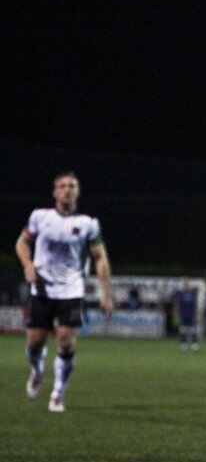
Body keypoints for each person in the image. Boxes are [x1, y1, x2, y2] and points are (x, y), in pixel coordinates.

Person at [15, 171, 112, 412]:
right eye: (62, 186)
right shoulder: (40, 217)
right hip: (42, 289)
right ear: (55, 192)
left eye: (72, 186)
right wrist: (28, 265)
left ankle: (58, 393)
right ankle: (37, 370)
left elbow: (100, 258)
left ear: (77, 192)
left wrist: (106, 294)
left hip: (71, 290)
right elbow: (22, 242)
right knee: (35, 344)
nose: (67, 189)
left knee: (66, 343)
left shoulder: (88, 224)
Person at [172, 280, 200, 351]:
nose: (186, 285)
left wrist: (196, 315)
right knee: (183, 330)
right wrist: (176, 314)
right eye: (185, 284)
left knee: (193, 330)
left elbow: (195, 305)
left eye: (187, 284)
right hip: (183, 314)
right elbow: (177, 304)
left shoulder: (192, 294)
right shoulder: (180, 293)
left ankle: (194, 345)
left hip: (190, 315)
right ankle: (183, 344)